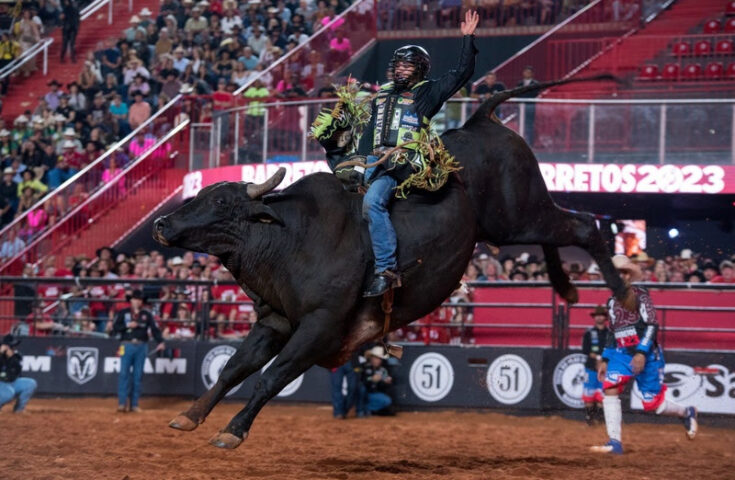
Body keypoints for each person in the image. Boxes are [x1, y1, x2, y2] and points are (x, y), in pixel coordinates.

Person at [357, 9, 479, 297]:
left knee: (372, 203)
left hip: (404, 165)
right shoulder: (383, 94)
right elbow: (369, 133)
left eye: (406, 66)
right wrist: (358, 163)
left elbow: (462, 73)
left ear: (420, 69)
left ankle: (386, 270)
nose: (400, 70)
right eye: (397, 65)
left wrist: (468, 39)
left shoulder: (428, 93)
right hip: (374, 162)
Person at [591, 255, 697, 455]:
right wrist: (605, 358)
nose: (620, 276)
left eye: (623, 272)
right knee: (610, 388)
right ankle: (615, 442)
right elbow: (612, 332)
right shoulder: (611, 302)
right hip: (622, 353)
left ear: (629, 276)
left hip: (647, 354)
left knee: (653, 405)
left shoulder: (641, 295)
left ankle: (686, 412)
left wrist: (641, 352)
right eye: (616, 273)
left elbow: (652, 325)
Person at [109, 289, 164, 412]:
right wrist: (127, 326)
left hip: (141, 345)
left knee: (137, 376)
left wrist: (160, 341)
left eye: (139, 299)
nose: (137, 301)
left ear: (141, 301)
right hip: (126, 345)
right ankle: (122, 404)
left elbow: (154, 329)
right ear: (131, 300)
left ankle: (134, 404)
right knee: (124, 374)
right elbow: (115, 327)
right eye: (135, 298)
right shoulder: (123, 313)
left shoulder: (147, 314)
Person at [581, 305, 609, 426]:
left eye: (601, 315)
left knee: (603, 394)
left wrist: (603, 360)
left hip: (606, 368)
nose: (599, 317)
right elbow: (585, 349)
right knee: (589, 393)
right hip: (591, 367)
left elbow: (612, 349)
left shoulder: (610, 333)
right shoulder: (589, 333)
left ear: (605, 317)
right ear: (594, 317)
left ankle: (601, 418)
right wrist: (598, 358)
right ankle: (589, 418)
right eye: (597, 315)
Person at [0, 334, 37, 413]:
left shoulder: (16, 356)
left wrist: (11, 357)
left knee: (30, 383)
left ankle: (19, 409)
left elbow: (17, 368)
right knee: (9, 393)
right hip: (1, 383)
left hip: (11, 382)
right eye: (12, 346)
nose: (14, 348)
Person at [360, 346, 394, 416]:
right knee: (361, 390)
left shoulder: (383, 370)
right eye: (376, 358)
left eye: (379, 358)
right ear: (371, 358)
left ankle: (368, 409)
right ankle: (361, 409)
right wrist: (371, 379)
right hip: (364, 393)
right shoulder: (364, 367)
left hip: (374, 394)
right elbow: (361, 380)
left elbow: (386, 381)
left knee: (387, 401)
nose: (378, 360)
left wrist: (385, 382)